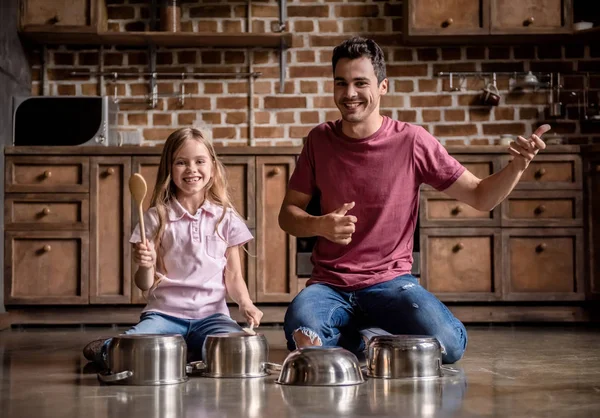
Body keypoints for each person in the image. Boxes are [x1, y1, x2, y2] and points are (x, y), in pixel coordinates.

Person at [278, 36, 550, 364]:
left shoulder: (412, 141)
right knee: (303, 334)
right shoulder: (319, 140)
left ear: (382, 87)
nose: (349, 94)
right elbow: (287, 215)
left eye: (360, 83)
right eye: (341, 83)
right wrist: (319, 225)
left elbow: (481, 196)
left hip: (391, 283)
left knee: (448, 345)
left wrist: (518, 166)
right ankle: (366, 337)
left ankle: (363, 336)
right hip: (329, 285)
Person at [83, 127, 263, 366]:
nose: (191, 169)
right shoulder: (155, 218)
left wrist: (246, 303)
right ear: (169, 168)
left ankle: (180, 349)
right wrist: (145, 265)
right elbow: (144, 284)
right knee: (129, 350)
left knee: (240, 351)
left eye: (200, 161)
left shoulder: (226, 218)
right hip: (164, 315)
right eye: (181, 162)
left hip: (212, 316)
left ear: (212, 167)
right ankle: (110, 348)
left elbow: (234, 276)